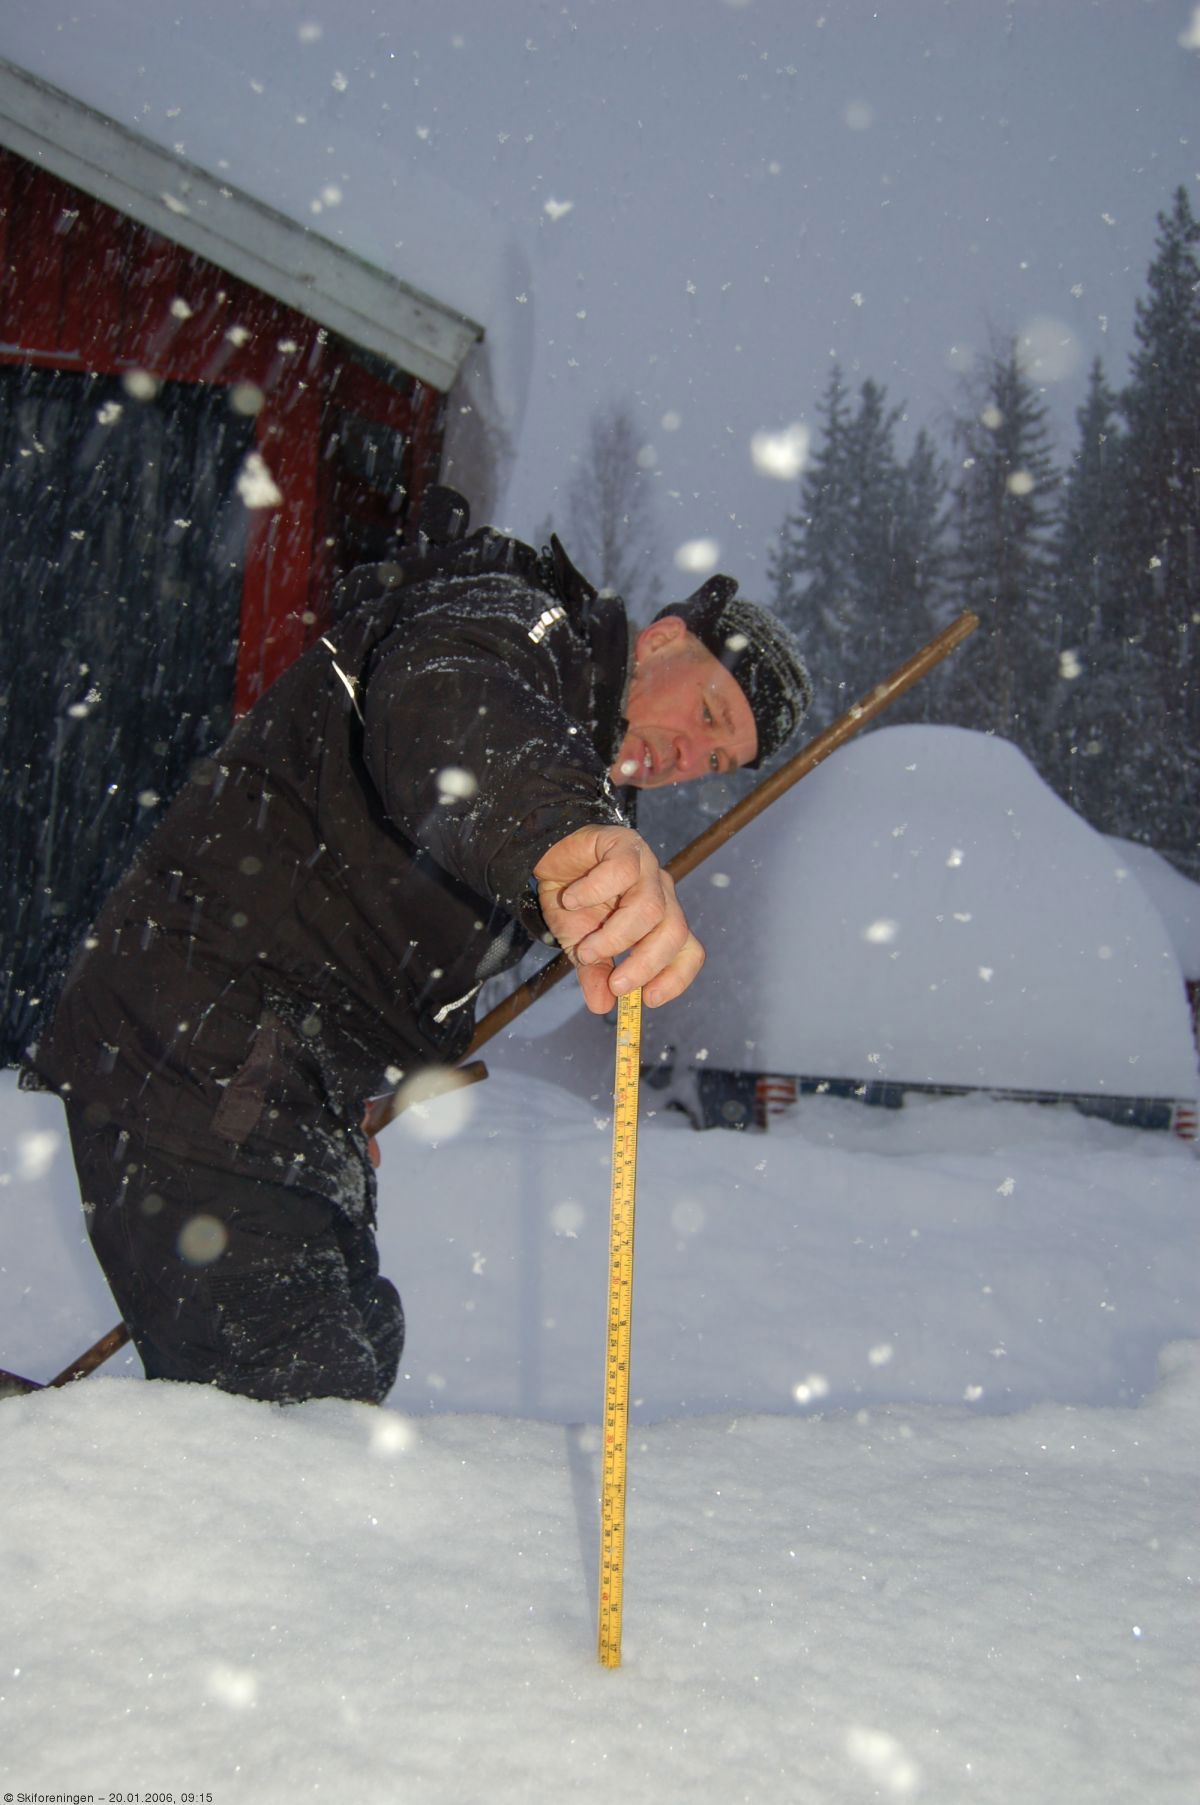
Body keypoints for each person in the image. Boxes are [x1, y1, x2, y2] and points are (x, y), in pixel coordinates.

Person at [30, 488, 811, 1404]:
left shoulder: (578, 767)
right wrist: (562, 836)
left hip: (291, 1084)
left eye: (717, 762)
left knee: (359, 1343)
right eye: (710, 715)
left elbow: (403, 938)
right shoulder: (522, 625)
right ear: (665, 641)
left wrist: (368, 1078)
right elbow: (451, 702)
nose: (690, 755)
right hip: (200, 1044)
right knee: (295, 1413)